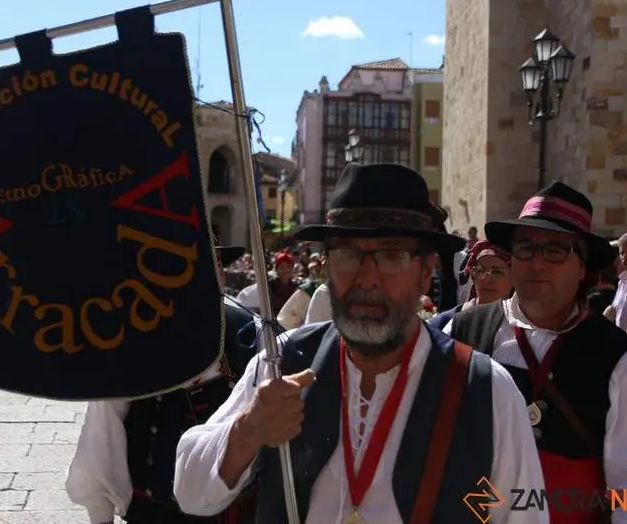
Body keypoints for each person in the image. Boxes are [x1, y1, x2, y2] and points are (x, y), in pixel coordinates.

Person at [174, 164, 545, 524]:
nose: (367, 278)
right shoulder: (281, 363)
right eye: (348, 254)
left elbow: (525, 514)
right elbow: (189, 491)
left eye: (391, 255)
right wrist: (248, 431)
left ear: (424, 272)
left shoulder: (487, 391)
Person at [449, 181, 627, 524]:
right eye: (525, 248)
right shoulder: (464, 332)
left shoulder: (623, 362)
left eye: (554, 250)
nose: (536, 263)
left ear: (582, 267)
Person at [64, 245, 276, 524]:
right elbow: (103, 433)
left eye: (212, 268)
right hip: (157, 509)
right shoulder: (132, 339)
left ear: (221, 274)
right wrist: (100, 512)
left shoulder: (253, 332)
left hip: (235, 508)